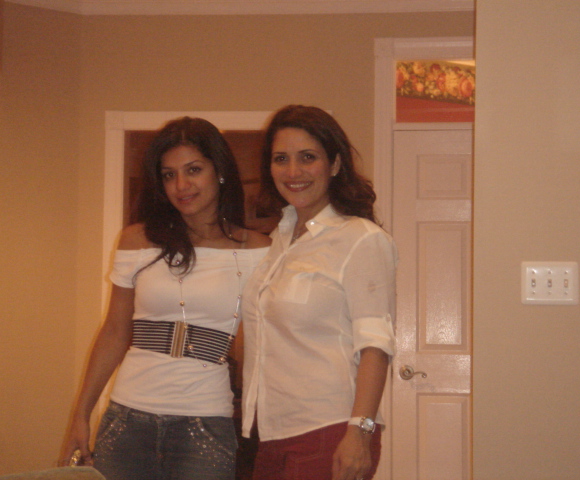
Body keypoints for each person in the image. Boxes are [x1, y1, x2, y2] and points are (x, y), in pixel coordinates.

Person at [58, 117, 270, 480]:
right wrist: (81, 414)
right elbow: (114, 332)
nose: (181, 185)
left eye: (193, 170)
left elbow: (269, 343)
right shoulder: (137, 240)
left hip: (205, 426)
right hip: (127, 421)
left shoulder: (259, 250)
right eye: (169, 175)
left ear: (220, 171)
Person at [241, 105, 398, 480]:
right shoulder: (278, 241)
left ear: (335, 164)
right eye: (281, 159)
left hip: (330, 430)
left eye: (307, 157)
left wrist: (360, 432)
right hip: (270, 433)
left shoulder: (361, 238)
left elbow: (375, 345)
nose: (293, 172)